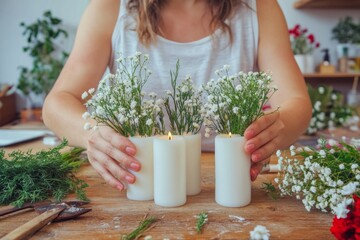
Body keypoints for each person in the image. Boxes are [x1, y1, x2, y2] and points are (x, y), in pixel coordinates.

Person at [43, 0, 312, 191]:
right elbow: (57, 102)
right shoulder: (111, 7)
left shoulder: (258, 8)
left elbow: (296, 103)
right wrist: (92, 134)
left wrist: (276, 128)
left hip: (229, 180)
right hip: (137, 177)